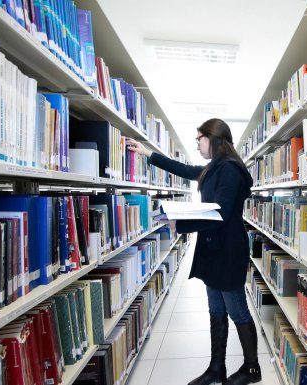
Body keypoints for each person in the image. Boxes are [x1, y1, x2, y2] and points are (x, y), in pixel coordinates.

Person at [126, 118, 258, 385]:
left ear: (214, 139)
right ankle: (216, 368)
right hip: (213, 250)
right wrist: (147, 154)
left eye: (199, 139)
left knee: (238, 311)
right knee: (216, 309)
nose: (197, 144)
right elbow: (184, 169)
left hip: (228, 252)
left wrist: (181, 223)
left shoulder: (230, 170)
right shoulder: (214, 168)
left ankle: (252, 369)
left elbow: (219, 213)